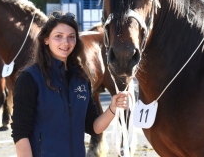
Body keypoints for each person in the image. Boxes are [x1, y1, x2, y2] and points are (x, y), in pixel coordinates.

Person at [11, 11, 127, 157]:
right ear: (46, 39)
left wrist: (113, 108)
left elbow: (93, 127)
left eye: (71, 37)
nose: (66, 43)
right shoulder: (29, 79)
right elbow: (20, 133)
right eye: (58, 36)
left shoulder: (81, 77)